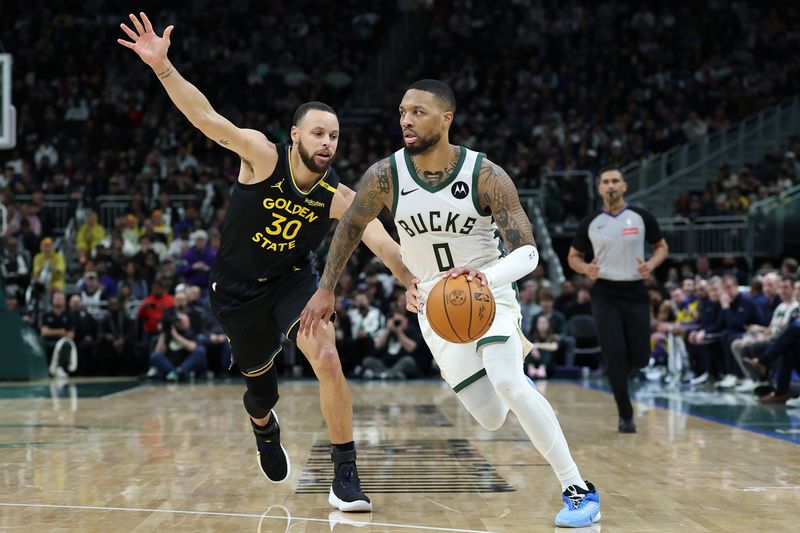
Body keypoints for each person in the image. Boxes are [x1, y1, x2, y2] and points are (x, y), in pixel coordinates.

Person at [118, 12, 413, 512]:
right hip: (235, 291)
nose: (327, 143)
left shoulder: (335, 194)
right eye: (318, 133)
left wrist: (410, 279)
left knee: (326, 356)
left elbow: (379, 237)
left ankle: (345, 473)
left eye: (334, 136)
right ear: (294, 135)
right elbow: (206, 119)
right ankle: (264, 428)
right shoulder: (261, 155)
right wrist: (164, 68)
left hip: (293, 284)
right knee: (262, 395)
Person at [300, 79, 601, 528]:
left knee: (509, 381)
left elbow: (529, 252)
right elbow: (350, 227)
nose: (406, 119)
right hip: (434, 309)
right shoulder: (386, 175)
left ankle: (577, 488)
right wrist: (327, 286)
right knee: (493, 417)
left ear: (446, 118)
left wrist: (485, 277)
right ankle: (516, 389)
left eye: (418, 111)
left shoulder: (485, 174)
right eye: (402, 111)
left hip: (488, 293)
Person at [568, 167, 668, 433]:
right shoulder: (590, 222)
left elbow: (661, 247)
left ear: (624, 186)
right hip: (605, 293)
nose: (610, 186)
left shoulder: (641, 217)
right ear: (599, 189)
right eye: (605, 182)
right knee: (613, 354)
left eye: (615, 181)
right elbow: (573, 256)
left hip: (636, 292)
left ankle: (632, 369)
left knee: (641, 357)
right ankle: (626, 415)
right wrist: (585, 269)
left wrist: (652, 264)